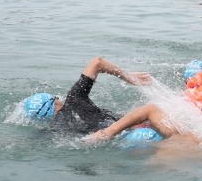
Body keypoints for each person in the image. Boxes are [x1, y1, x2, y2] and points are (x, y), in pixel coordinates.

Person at [22, 56, 153, 135]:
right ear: (54, 104)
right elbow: (97, 62)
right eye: (56, 98)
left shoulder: (55, 130)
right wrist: (128, 77)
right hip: (135, 127)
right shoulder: (74, 99)